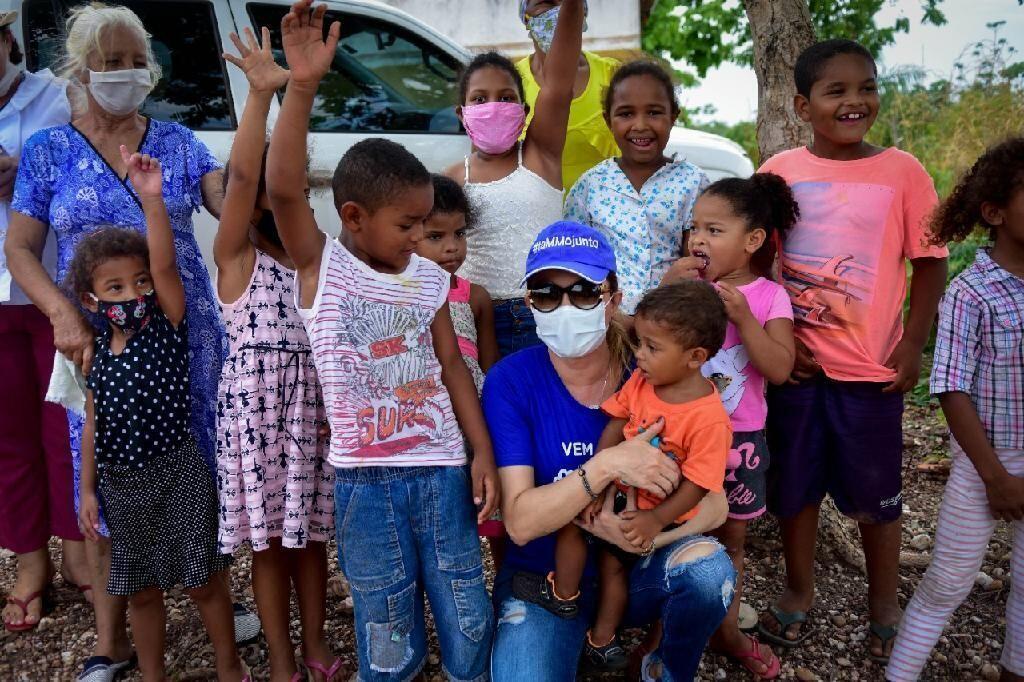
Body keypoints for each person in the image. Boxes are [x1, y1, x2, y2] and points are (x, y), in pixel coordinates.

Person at [5, 4, 258, 679]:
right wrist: (60, 311)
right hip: (96, 343)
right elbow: (21, 247)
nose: (122, 72)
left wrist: (261, 109)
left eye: (132, 59)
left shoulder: (176, 143)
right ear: (79, 68)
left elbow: (227, 200)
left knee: (197, 467)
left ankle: (214, 599)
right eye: (108, 60)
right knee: (108, 480)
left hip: (185, 339)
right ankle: (110, 639)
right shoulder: (49, 149)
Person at [265, 3, 500, 680]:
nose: (420, 237)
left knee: (463, 597)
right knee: (383, 608)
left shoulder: (427, 279)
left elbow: (454, 367)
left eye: (428, 222)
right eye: (409, 224)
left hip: (441, 467)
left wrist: (479, 451)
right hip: (364, 482)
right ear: (353, 218)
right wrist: (301, 85)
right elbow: (282, 192)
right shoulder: (323, 266)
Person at [755, 39, 949, 664]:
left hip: (871, 372)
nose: (854, 101)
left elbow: (929, 262)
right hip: (797, 370)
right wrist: (779, 342)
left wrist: (913, 343)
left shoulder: (904, 172)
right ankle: (798, 586)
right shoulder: (780, 171)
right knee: (796, 486)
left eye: (865, 86)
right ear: (802, 105)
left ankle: (885, 600)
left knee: (877, 492)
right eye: (836, 91)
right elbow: (761, 258)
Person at [484, 219, 737, 681]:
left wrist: (645, 534)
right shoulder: (511, 381)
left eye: (582, 291)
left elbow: (716, 504)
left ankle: (660, 667)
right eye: (546, 293)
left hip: (634, 572)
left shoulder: (656, 372)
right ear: (528, 303)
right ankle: (577, 637)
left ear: (614, 297)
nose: (564, 306)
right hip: (546, 585)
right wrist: (607, 465)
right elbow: (519, 523)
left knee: (707, 573)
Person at [71, 149, 244, 682]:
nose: (135, 294)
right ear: (93, 300)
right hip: (123, 487)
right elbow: (93, 424)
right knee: (142, 592)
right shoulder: (96, 354)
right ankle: (152, 675)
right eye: (117, 288)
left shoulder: (164, 328)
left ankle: (229, 665)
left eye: (140, 282)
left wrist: (152, 201)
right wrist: (88, 489)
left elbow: (166, 264)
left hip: (179, 473)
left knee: (202, 581)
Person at [213, 27, 339, 682]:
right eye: (271, 185)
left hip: (309, 411)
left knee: (312, 539)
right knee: (269, 546)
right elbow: (238, 177)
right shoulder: (236, 259)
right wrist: (263, 94)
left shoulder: (312, 261)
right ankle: (283, 659)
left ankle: (315, 642)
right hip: (257, 418)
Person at [886, 138, 1024, 682]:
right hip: (983, 464)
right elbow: (949, 387)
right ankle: (901, 674)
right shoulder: (974, 291)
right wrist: (996, 477)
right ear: (994, 212)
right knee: (949, 578)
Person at [549, 280, 733, 672]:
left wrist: (655, 520)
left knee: (616, 568)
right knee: (570, 523)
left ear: (695, 357)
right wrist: (595, 480)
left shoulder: (709, 419)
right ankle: (562, 600)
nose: (639, 355)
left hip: (654, 514)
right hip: (615, 488)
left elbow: (699, 484)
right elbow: (616, 423)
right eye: (639, 343)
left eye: (652, 347)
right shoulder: (642, 381)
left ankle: (602, 637)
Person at [0, 8, 91, 633]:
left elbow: (92, 171)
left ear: (5, 40)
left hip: (54, 288)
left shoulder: (58, 98)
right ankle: (29, 564)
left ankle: (79, 554)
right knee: (8, 438)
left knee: (66, 427)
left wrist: (24, 175)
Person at [687, 174, 799, 678]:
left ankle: (728, 630)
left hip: (742, 441)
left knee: (732, 543)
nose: (698, 241)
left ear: (753, 240)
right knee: (675, 529)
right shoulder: (689, 288)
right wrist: (672, 291)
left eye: (713, 230)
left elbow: (778, 367)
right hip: (683, 437)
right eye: (695, 229)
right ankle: (667, 630)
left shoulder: (771, 297)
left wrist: (745, 320)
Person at [444, 0, 584, 357]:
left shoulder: (541, 155)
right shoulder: (451, 180)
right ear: (462, 114)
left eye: (506, 97)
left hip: (544, 314)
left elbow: (559, 83)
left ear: (524, 112)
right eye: (480, 99)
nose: (493, 106)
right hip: (474, 320)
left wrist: (570, 7)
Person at [564, 60, 709, 314]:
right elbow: (575, 266)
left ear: (673, 116)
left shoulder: (692, 182)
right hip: (608, 325)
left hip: (673, 319)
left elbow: (696, 261)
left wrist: (669, 289)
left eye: (654, 112)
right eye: (626, 113)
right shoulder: (589, 187)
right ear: (608, 120)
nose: (640, 125)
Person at [516, 0, 620, 191]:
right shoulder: (511, 84)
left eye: (565, 2)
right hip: (539, 217)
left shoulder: (613, 75)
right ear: (525, 17)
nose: (559, 13)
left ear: (581, 11)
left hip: (605, 215)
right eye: (544, 4)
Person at [415, 174, 499, 393]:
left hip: (473, 404)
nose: (452, 246)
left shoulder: (476, 297)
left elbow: (491, 371)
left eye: (459, 234)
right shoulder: (402, 295)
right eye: (435, 236)